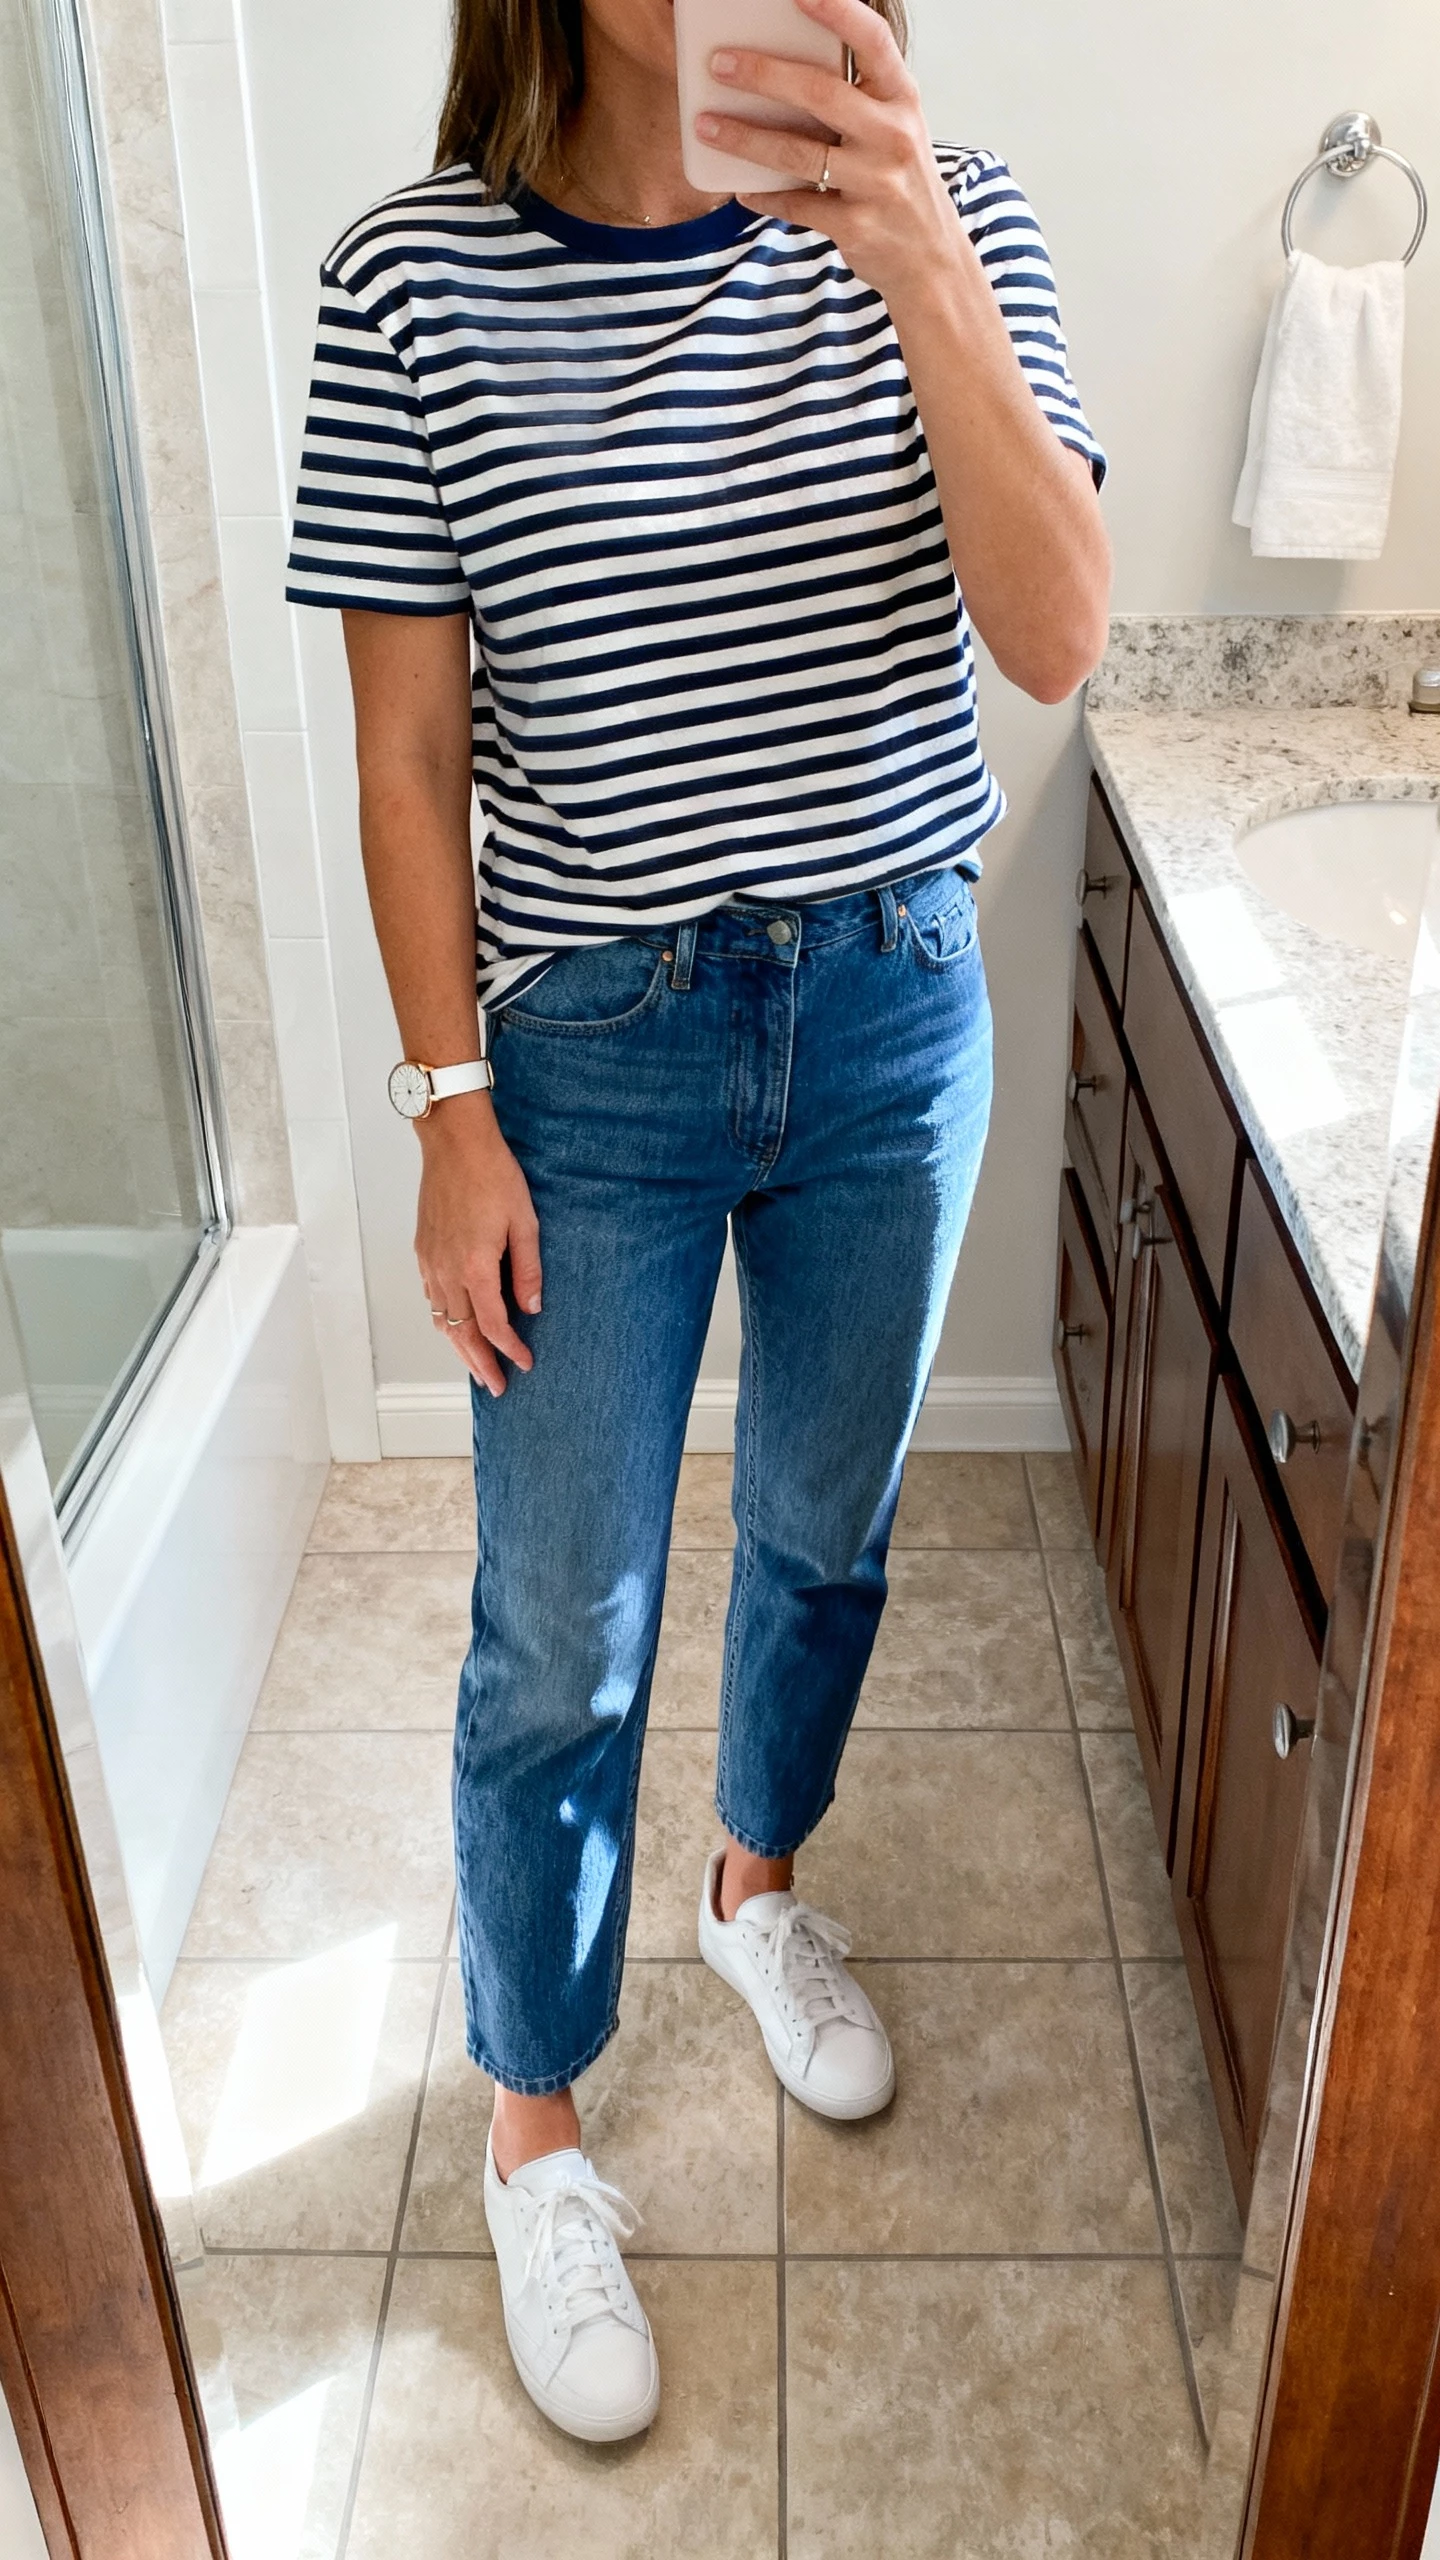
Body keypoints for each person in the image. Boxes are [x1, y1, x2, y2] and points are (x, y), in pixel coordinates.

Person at [286, 0, 1109, 2444]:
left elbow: (1054, 633)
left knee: (828, 1536)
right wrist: (451, 1112)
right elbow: (412, 750)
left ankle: (755, 1884)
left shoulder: (964, 233)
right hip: (590, 1060)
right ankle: (535, 2116)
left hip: (888, 1013)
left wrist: (921, 260)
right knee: (561, 1628)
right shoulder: (405, 284)